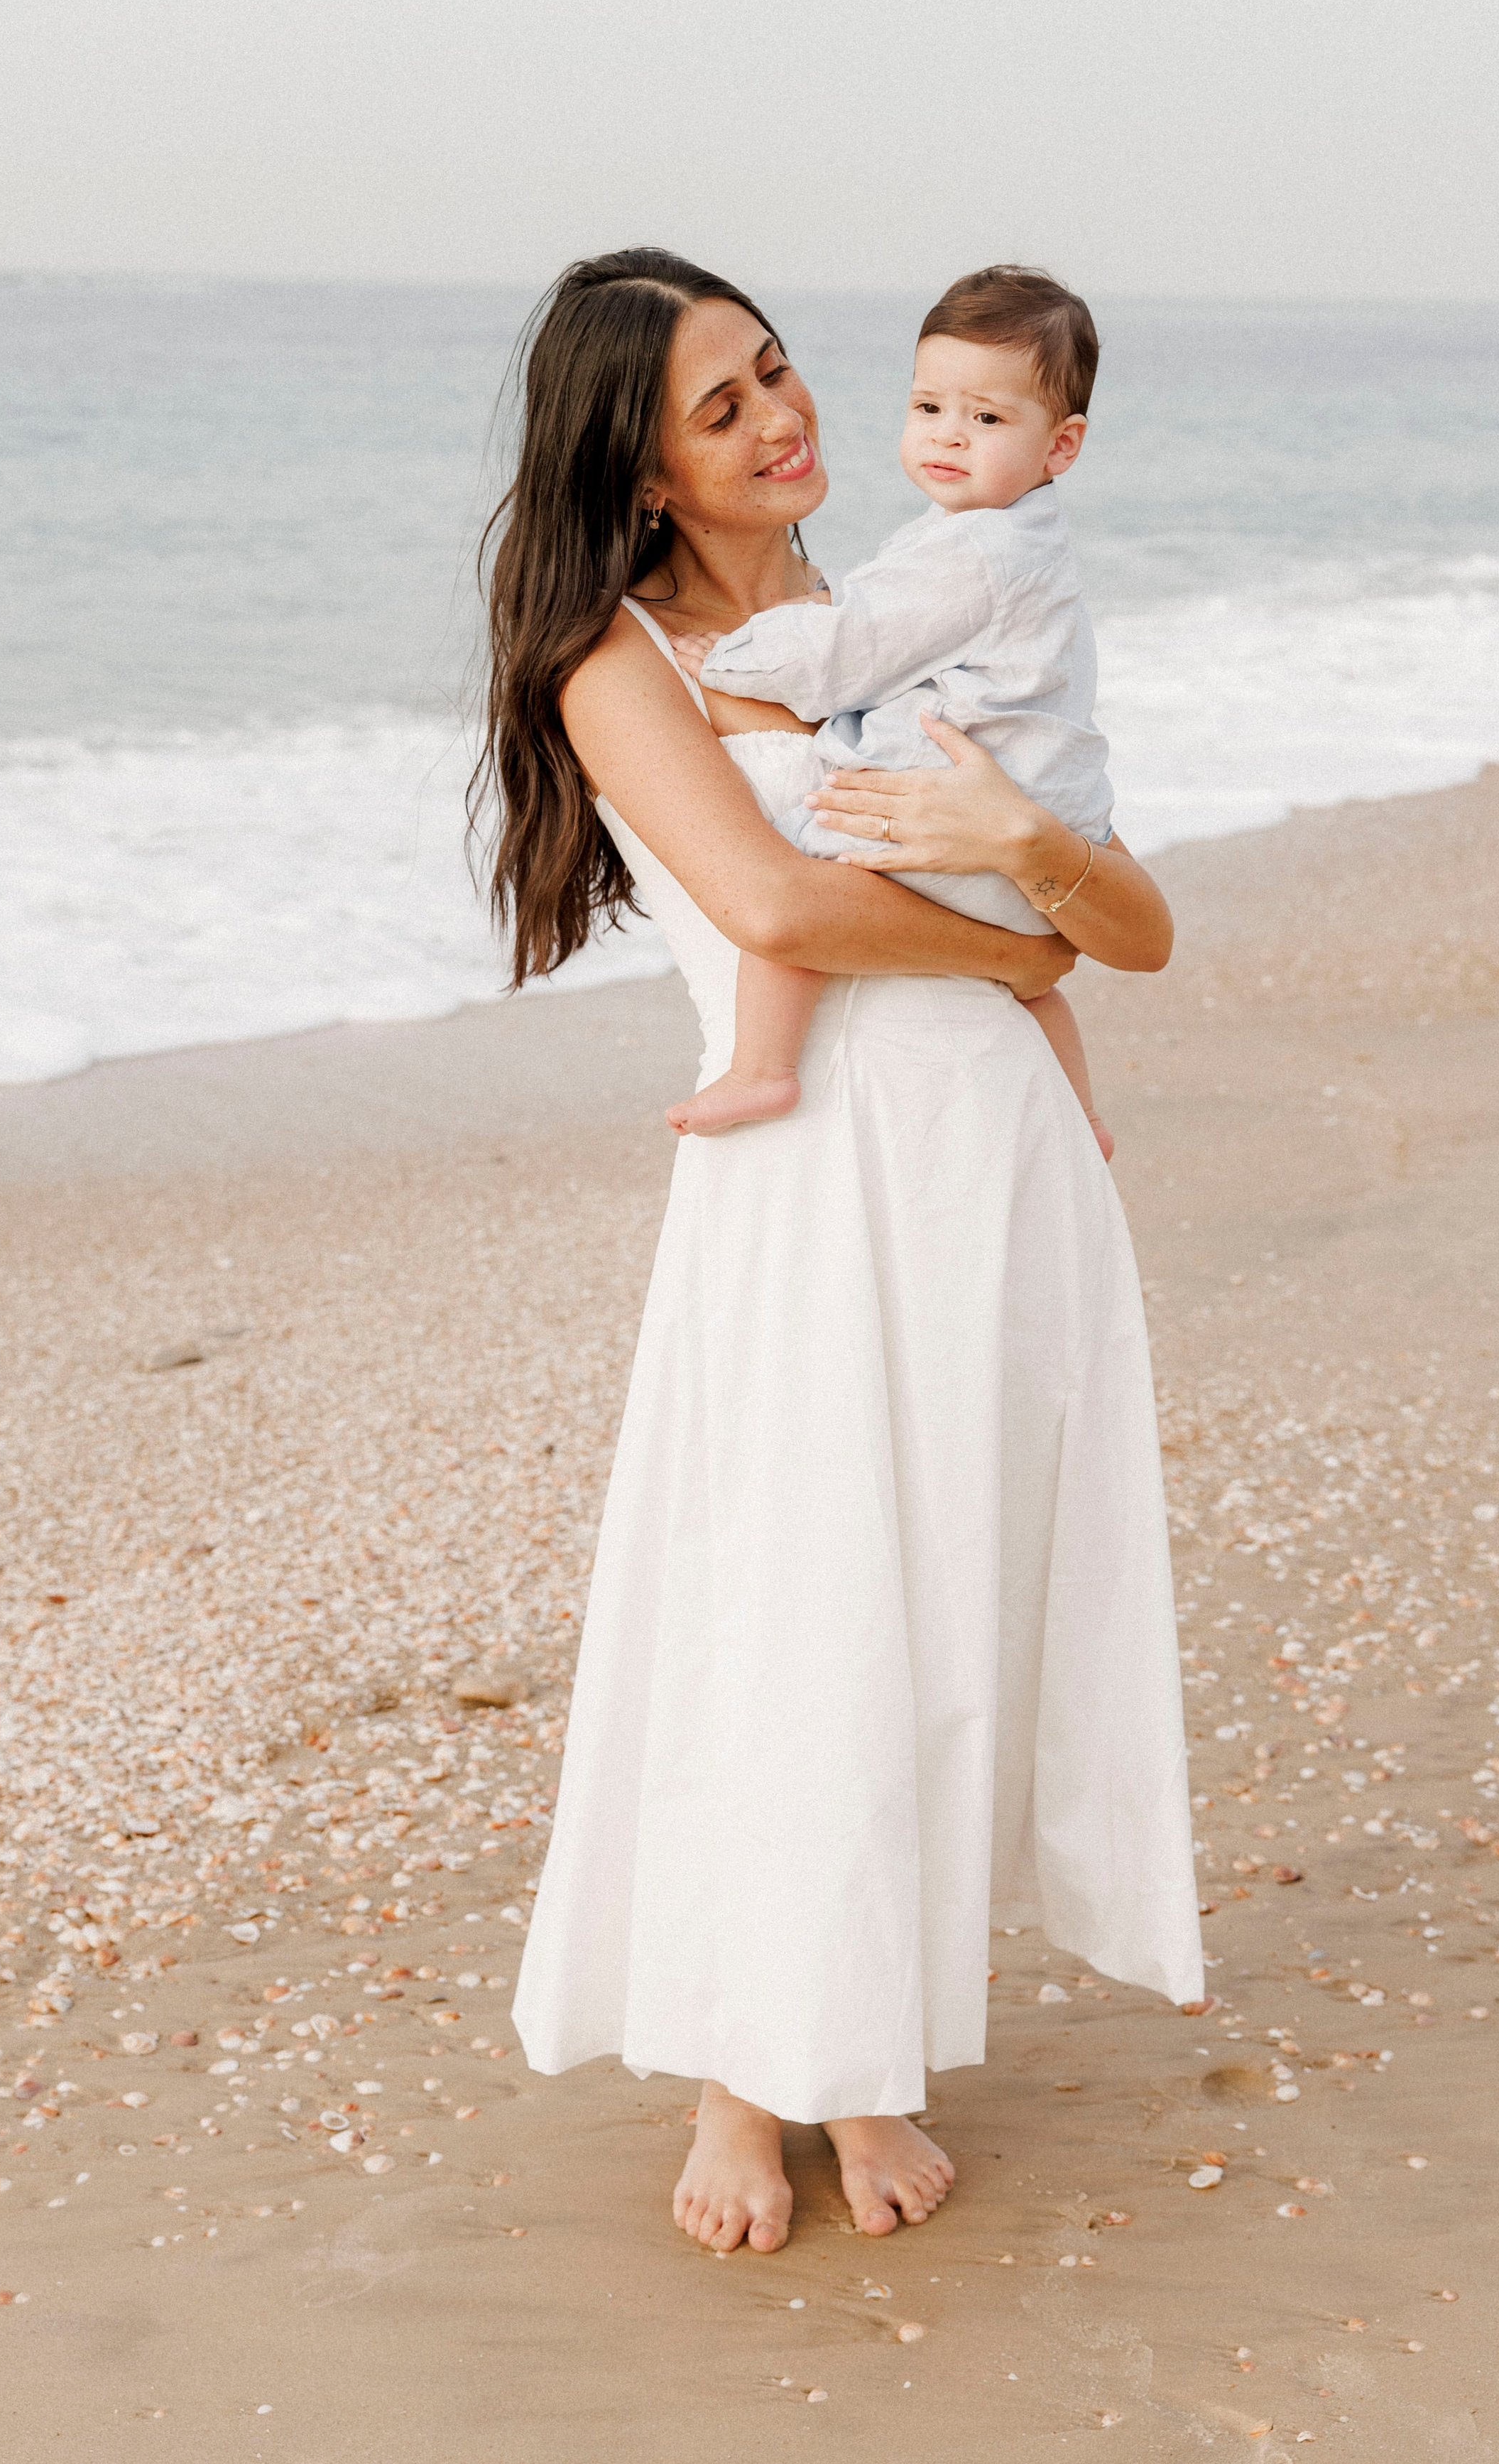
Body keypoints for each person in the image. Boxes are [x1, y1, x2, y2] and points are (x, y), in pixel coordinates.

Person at [476, 247, 1201, 2258]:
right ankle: (743, 2073)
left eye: (779, 369)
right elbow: (782, 912)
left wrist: (1033, 858)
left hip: (996, 1164)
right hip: (804, 1181)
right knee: (791, 1605)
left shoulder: (923, 596)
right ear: (636, 471)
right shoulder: (611, 657)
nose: (783, 416)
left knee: (941, 1609)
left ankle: (867, 2056)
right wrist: (1017, 941)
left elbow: (1131, 929)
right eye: (723, 408)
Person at [663, 264, 1114, 1158]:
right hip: (1034, 837)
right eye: (929, 409)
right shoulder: (1014, 542)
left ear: (1060, 447)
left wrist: (732, 656)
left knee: (810, 858)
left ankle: (762, 1066)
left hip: (964, 826)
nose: (949, 437)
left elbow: (847, 649)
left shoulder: (973, 552)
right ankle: (1084, 1117)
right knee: (1034, 988)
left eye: (985, 419)